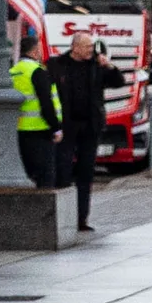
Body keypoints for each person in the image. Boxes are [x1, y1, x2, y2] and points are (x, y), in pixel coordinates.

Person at [52, 40, 114, 230]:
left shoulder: (96, 65)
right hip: (67, 127)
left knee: (86, 172)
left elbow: (117, 81)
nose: (91, 50)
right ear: (75, 47)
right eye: (87, 47)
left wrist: (108, 66)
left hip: (90, 126)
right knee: (62, 170)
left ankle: (81, 219)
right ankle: (62, 217)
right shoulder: (57, 64)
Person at [15, 36, 58, 188]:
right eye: (39, 49)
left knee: (29, 175)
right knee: (45, 177)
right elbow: (46, 103)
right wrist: (56, 127)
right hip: (40, 130)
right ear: (34, 52)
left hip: (19, 130)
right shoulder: (37, 72)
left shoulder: (13, 71)